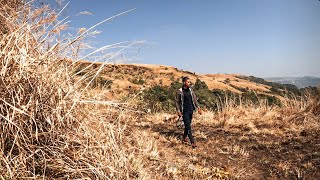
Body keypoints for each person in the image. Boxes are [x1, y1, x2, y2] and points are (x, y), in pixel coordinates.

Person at [175, 76, 202, 148]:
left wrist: (198, 107)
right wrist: (178, 110)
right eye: (188, 82)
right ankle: (192, 142)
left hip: (191, 110)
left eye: (190, 82)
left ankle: (184, 137)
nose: (190, 83)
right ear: (184, 82)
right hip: (184, 111)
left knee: (188, 125)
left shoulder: (191, 90)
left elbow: (195, 100)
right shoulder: (179, 91)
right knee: (188, 126)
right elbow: (177, 102)